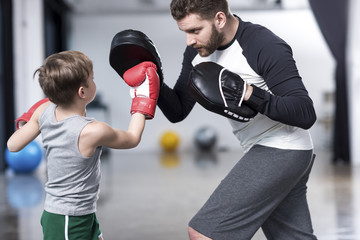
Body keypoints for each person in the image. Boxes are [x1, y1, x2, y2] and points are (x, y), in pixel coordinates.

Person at [156, 0, 318, 239]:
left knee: (204, 232)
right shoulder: (196, 51)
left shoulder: (262, 44)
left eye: (195, 30)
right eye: (185, 32)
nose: (189, 40)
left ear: (219, 19)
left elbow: (304, 112)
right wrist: (152, 80)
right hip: (270, 149)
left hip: (283, 146)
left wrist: (248, 93)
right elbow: (178, 110)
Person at [7, 50, 160, 239]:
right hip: (67, 220)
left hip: (80, 213)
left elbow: (13, 145)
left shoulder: (44, 111)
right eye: (92, 78)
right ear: (82, 91)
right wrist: (142, 98)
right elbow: (132, 138)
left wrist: (33, 119)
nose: (95, 82)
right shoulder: (92, 131)